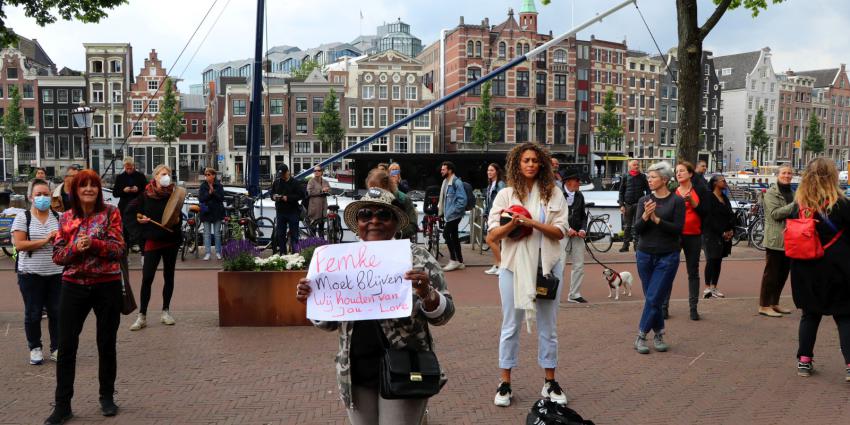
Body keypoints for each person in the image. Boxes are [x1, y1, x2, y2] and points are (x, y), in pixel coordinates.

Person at [295, 187, 454, 425]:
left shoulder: (418, 257)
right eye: (366, 214)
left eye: (384, 215)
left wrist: (427, 293)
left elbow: (445, 314)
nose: (374, 221)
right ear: (357, 222)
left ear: (395, 223)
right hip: (355, 370)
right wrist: (313, 299)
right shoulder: (338, 261)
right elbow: (327, 323)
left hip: (406, 367)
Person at [487, 143, 569, 407]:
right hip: (513, 267)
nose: (531, 164)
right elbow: (491, 235)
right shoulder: (505, 196)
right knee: (510, 326)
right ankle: (505, 383)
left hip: (546, 267)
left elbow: (560, 232)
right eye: (526, 160)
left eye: (535, 160)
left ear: (542, 164)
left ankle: (549, 382)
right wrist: (513, 223)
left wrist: (532, 223)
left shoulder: (554, 194)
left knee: (549, 327)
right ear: (517, 165)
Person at [47, 169, 125, 424]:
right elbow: (58, 256)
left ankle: (106, 397)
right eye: (84, 186)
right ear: (76, 190)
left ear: (99, 190)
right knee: (66, 345)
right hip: (73, 285)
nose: (89, 189)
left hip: (107, 285)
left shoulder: (111, 213)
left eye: (94, 185)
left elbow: (119, 249)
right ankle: (62, 405)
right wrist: (74, 248)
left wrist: (94, 244)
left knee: (106, 343)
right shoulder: (66, 218)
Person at [788, 158, 850, 381]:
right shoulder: (841, 205)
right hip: (838, 268)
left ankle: (804, 361)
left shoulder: (799, 206)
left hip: (806, 268)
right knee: (844, 316)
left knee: (809, 315)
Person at [632, 161, 685, 355]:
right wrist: (646, 216)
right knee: (652, 298)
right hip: (645, 254)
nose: (649, 179)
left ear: (664, 179)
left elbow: (678, 229)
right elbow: (636, 229)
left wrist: (657, 220)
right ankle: (659, 333)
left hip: (668, 255)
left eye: (653, 177)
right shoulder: (643, 200)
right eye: (648, 176)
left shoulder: (676, 201)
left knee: (654, 297)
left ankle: (641, 336)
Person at [127, 165, 185, 331]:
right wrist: (140, 220)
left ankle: (166, 311)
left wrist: (175, 221)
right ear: (156, 176)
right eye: (163, 174)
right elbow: (131, 213)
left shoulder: (174, 195)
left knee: (169, 276)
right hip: (152, 240)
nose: (167, 176)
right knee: (147, 278)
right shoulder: (145, 195)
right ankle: (142, 315)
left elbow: (178, 218)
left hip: (170, 240)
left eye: (169, 174)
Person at [12, 179, 63, 365]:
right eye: (38, 194)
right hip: (30, 275)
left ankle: (57, 348)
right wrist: (45, 240)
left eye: (46, 194)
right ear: (30, 197)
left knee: (56, 312)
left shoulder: (59, 218)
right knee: (33, 313)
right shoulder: (23, 218)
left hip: (56, 274)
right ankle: (35, 347)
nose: (42, 198)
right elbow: (19, 244)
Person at [667, 161, 708, 321]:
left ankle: (693, 309)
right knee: (669, 270)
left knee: (693, 272)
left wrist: (693, 203)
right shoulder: (672, 191)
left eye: (682, 171)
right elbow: (666, 212)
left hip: (694, 235)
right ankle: (664, 307)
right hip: (675, 236)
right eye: (677, 171)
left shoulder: (700, 190)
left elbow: (706, 212)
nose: (678, 174)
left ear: (690, 174)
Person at [758, 164, 796, 317]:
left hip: (790, 239)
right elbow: (775, 214)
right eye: (784, 173)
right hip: (775, 238)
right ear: (778, 175)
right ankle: (764, 305)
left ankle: (774, 303)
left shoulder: (792, 193)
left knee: (782, 274)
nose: (787, 175)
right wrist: (796, 205)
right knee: (771, 274)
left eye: (789, 173)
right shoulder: (771, 193)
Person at [702, 175, 734, 299]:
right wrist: (721, 232)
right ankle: (707, 288)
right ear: (715, 183)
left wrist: (731, 230)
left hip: (724, 234)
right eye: (723, 180)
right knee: (711, 259)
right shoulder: (709, 197)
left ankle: (714, 286)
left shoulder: (725, 198)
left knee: (718, 260)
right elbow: (709, 218)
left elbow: (730, 214)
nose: (725, 182)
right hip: (712, 234)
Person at [365, 168, 418, 240]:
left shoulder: (403, 199)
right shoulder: (368, 199)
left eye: (377, 189)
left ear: (387, 186)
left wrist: (397, 234)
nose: (374, 193)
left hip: (399, 243)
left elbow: (413, 225)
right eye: (371, 190)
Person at [563, 170, 588, 303]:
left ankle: (574, 294)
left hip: (578, 235)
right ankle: (553, 293)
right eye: (577, 181)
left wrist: (583, 229)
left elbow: (583, 216)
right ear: (568, 182)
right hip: (561, 235)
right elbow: (556, 217)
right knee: (559, 265)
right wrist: (568, 228)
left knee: (578, 265)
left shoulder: (580, 195)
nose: (579, 183)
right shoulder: (558, 195)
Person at [438, 161, 467, 271]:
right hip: (450, 215)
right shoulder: (446, 181)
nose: (441, 171)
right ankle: (460, 261)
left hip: (454, 215)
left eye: (443, 169)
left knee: (446, 234)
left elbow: (462, 200)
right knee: (454, 237)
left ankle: (453, 260)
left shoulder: (456, 182)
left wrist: (453, 212)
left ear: (450, 170)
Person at [618, 159, 650, 252]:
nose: (637, 166)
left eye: (637, 165)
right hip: (628, 204)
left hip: (639, 204)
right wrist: (621, 205)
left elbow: (648, 190)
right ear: (630, 167)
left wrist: (647, 201)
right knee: (627, 226)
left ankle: (637, 245)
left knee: (637, 225)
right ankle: (625, 245)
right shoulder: (625, 177)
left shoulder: (643, 177)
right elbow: (621, 192)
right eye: (635, 165)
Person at [270, 164, 302, 254]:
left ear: (288, 172)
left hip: (292, 211)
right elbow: (271, 193)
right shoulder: (276, 182)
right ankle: (282, 254)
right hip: (280, 212)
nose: (282, 177)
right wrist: (273, 197)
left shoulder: (295, 182)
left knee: (294, 234)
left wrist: (287, 198)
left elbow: (300, 195)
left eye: (283, 175)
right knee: (280, 234)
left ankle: (295, 254)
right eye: (280, 175)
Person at [484, 163, 507, 275]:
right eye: (488, 170)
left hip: (498, 216)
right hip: (491, 216)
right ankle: (497, 264)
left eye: (491, 170)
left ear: (497, 172)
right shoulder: (490, 185)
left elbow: (503, 200)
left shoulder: (501, 184)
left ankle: (501, 264)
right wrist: (486, 213)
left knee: (491, 239)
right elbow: (488, 202)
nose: (489, 172)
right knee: (496, 242)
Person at [198, 168, 225, 260]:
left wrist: (214, 192)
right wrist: (209, 194)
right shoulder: (203, 186)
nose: (207, 176)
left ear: (214, 175)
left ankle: (218, 252)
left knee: (217, 233)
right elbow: (201, 199)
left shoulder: (219, 186)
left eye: (209, 174)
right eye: (206, 175)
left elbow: (221, 198)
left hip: (217, 212)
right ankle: (208, 253)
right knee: (207, 233)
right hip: (206, 212)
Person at [306, 165, 331, 238]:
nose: (316, 172)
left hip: (323, 207)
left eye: (318, 170)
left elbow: (330, 190)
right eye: (315, 171)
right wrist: (321, 191)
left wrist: (327, 190)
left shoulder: (325, 181)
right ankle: (313, 244)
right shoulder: (311, 181)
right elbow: (309, 192)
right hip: (314, 207)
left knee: (321, 227)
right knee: (313, 227)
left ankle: (322, 243)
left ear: (321, 172)